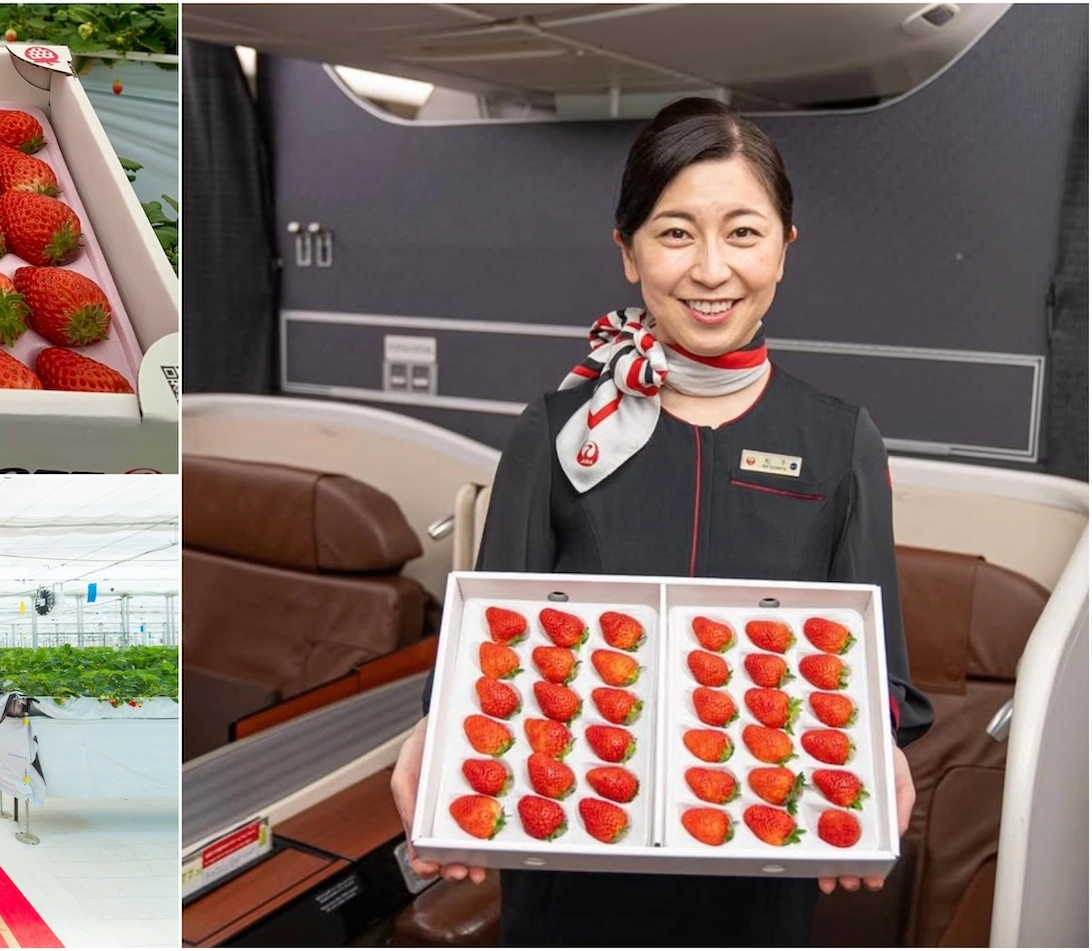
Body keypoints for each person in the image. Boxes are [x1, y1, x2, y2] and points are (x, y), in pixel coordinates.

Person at [390, 97, 934, 946]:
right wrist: (436, 727)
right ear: (628, 251)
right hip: (570, 854)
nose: (711, 270)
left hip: (757, 861)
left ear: (785, 251)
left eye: (744, 233)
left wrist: (877, 746)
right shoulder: (559, 429)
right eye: (676, 232)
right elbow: (488, 633)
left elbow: (877, 668)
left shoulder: (840, 440)